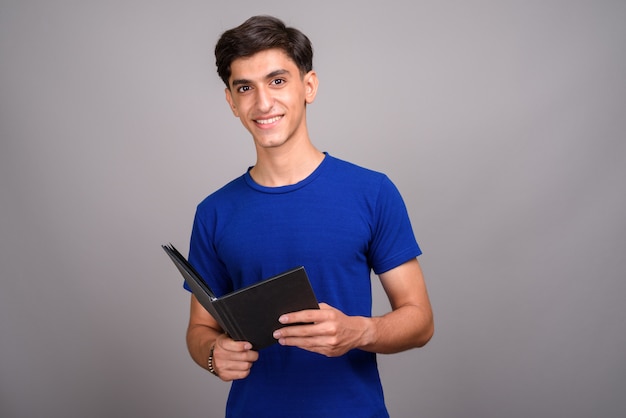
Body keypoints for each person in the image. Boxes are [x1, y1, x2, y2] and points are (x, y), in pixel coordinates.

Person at [185, 15, 434, 418]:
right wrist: (214, 355)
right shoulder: (214, 212)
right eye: (245, 87)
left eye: (277, 81)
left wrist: (360, 330)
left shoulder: (372, 192)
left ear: (309, 86)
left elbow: (420, 319)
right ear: (231, 101)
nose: (263, 103)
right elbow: (199, 330)